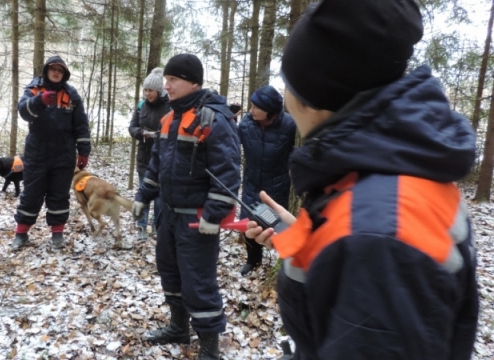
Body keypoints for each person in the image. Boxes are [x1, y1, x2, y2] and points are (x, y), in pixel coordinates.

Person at [245, 0, 479, 359]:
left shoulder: (378, 233)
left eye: (288, 83)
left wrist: (345, 241)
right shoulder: (386, 175)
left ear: (311, 100)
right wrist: (311, 241)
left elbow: (373, 253)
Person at [132, 54, 241, 359]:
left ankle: (209, 347)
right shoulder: (169, 118)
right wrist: (143, 197)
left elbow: (228, 172)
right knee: (170, 273)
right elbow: (156, 165)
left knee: (198, 281)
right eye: (166, 80)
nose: (166, 85)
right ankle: (178, 327)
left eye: (173, 80)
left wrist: (214, 214)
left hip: (196, 220)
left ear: (193, 82)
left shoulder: (214, 119)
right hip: (167, 214)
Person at [12, 55, 91, 251]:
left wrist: (84, 151)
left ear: (64, 74)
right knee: (31, 194)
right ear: (46, 70)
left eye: (60, 70)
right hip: (36, 152)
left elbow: (81, 124)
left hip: (63, 154)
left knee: (59, 195)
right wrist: (40, 100)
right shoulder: (34, 89)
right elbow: (22, 111)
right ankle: (21, 233)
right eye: (53, 69)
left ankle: (57, 234)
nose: (56, 72)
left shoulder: (71, 95)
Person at [237, 86, 295, 276]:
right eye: (251, 106)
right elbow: (229, 142)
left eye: (256, 107)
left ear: (270, 110)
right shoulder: (246, 124)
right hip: (252, 183)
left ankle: (286, 263)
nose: (251, 110)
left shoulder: (289, 125)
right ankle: (253, 261)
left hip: (276, 185)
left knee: (277, 225)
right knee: (249, 224)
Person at [128, 67, 169, 240]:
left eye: (150, 90)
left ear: (159, 91)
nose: (147, 93)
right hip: (144, 157)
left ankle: (157, 226)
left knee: (160, 196)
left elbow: (171, 129)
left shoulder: (170, 107)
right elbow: (132, 127)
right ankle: (141, 227)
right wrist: (141, 133)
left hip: (162, 158)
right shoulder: (140, 106)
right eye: (145, 90)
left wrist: (158, 135)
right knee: (144, 191)